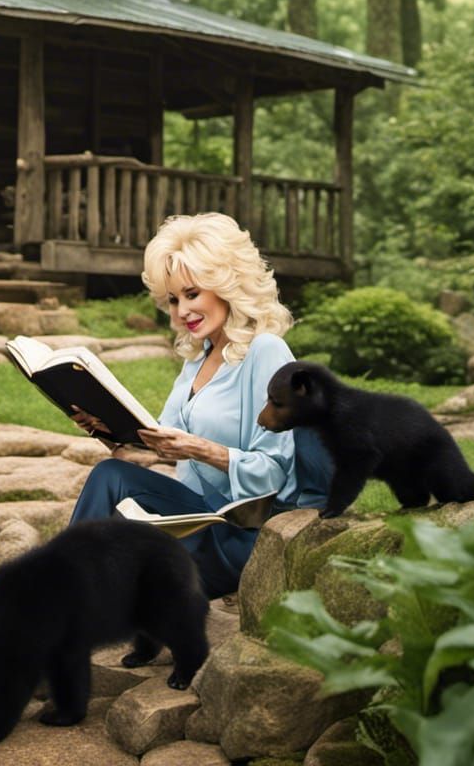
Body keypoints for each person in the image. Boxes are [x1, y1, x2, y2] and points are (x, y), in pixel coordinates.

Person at [68, 212, 333, 599]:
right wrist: (112, 430)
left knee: (114, 519)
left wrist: (203, 450)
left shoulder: (266, 352)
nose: (181, 312)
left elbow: (276, 474)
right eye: (173, 300)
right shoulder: (199, 358)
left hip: (245, 534)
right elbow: (162, 438)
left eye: (192, 294)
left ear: (226, 285)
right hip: (195, 521)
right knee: (112, 475)